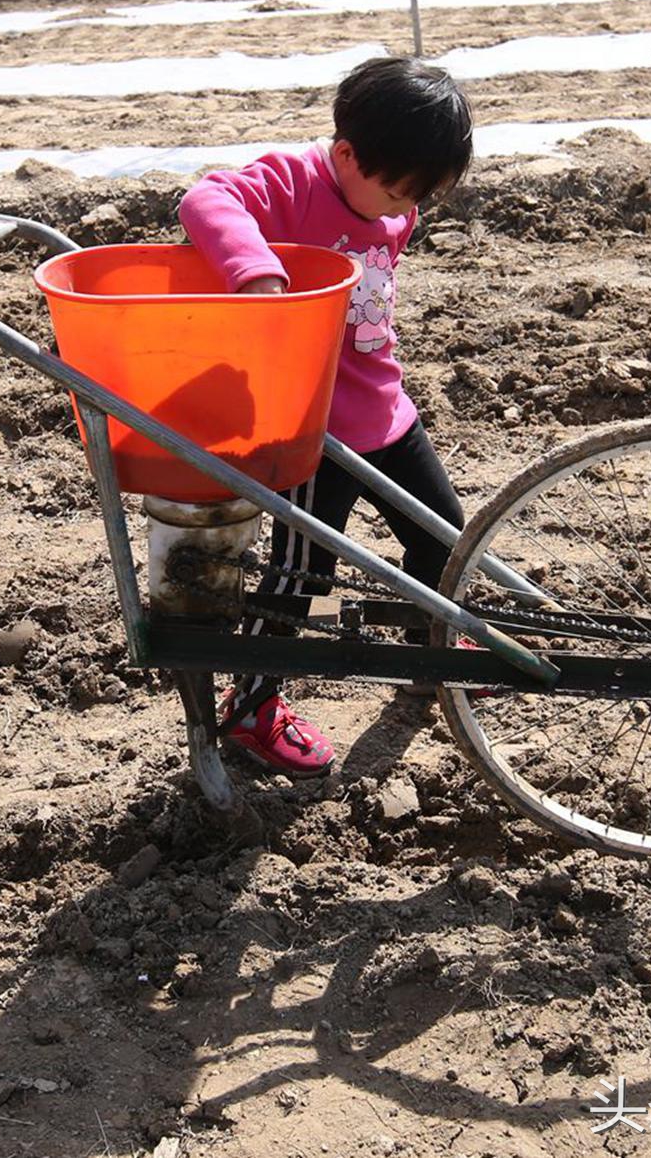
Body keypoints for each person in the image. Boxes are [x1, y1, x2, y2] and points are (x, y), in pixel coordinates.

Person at [179, 56, 474, 775]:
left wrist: (396, 205)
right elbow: (207, 199)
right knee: (299, 574)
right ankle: (252, 708)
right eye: (398, 190)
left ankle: (428, 646)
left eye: (420, 196)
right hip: (318, 432)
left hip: (387, 409)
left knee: (443, 539)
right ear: (345, 155)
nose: (404, 209)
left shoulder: (392, 210)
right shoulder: (295, 182)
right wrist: (257, 272)